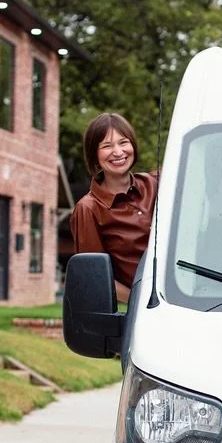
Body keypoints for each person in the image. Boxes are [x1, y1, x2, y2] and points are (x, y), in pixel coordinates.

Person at [70, 112, 158, 303]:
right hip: (145, 309)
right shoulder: (88, 209)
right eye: (107, 146)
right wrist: (142, 302)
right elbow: (96, 278)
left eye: (123, 142)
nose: (118, 152)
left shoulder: (157, 183)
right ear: (95, 154)